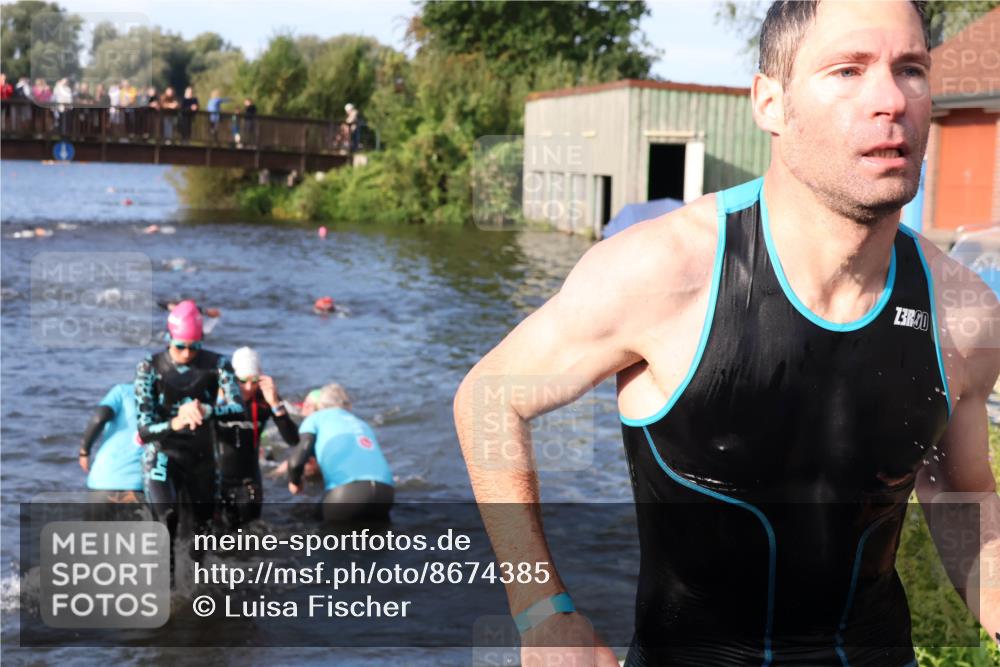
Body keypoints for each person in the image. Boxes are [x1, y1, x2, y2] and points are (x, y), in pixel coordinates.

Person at [453, 2, 1000, 665]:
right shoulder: (665, 273)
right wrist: (540, 610)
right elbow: (490, 397)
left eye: (910, 69)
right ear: (770, 103)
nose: (890, 99)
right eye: (848, 70)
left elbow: (959, 492)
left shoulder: (962, 314)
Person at [135, 300, 243, 579]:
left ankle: (193, 590)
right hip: (163, 454)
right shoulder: (150, 367)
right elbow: (144, 430)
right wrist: (176, 422)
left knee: (201, 536)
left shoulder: (218, 364)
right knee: (166, 519)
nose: (186, 353)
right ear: (169, 338)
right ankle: (164, 587)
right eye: (180, 346)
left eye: (194, 347)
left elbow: (237, 407)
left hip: (202, 457)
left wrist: (208, 410)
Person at [214, 347, 299, 528]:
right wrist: (217, 403)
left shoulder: (264, 399)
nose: (248, 387)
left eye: (254, 381)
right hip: (216, 480)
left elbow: (293, 440)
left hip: (249, 481)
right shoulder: (217, 394)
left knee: (249, 536)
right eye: (242, 381)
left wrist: (275, 404)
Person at [286, 383, 394, 521]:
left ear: (319, 406)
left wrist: (295, 483)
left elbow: (295, 462)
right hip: (385, 493)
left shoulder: (316, 418)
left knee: (308, 525)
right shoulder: (361, 422)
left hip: (346, 495)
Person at [79, 382, 143, 503]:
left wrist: (84, 451)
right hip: (140, 484)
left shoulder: (123, 391)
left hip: (103, 480)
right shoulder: (168, 397)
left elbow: (99, 417)